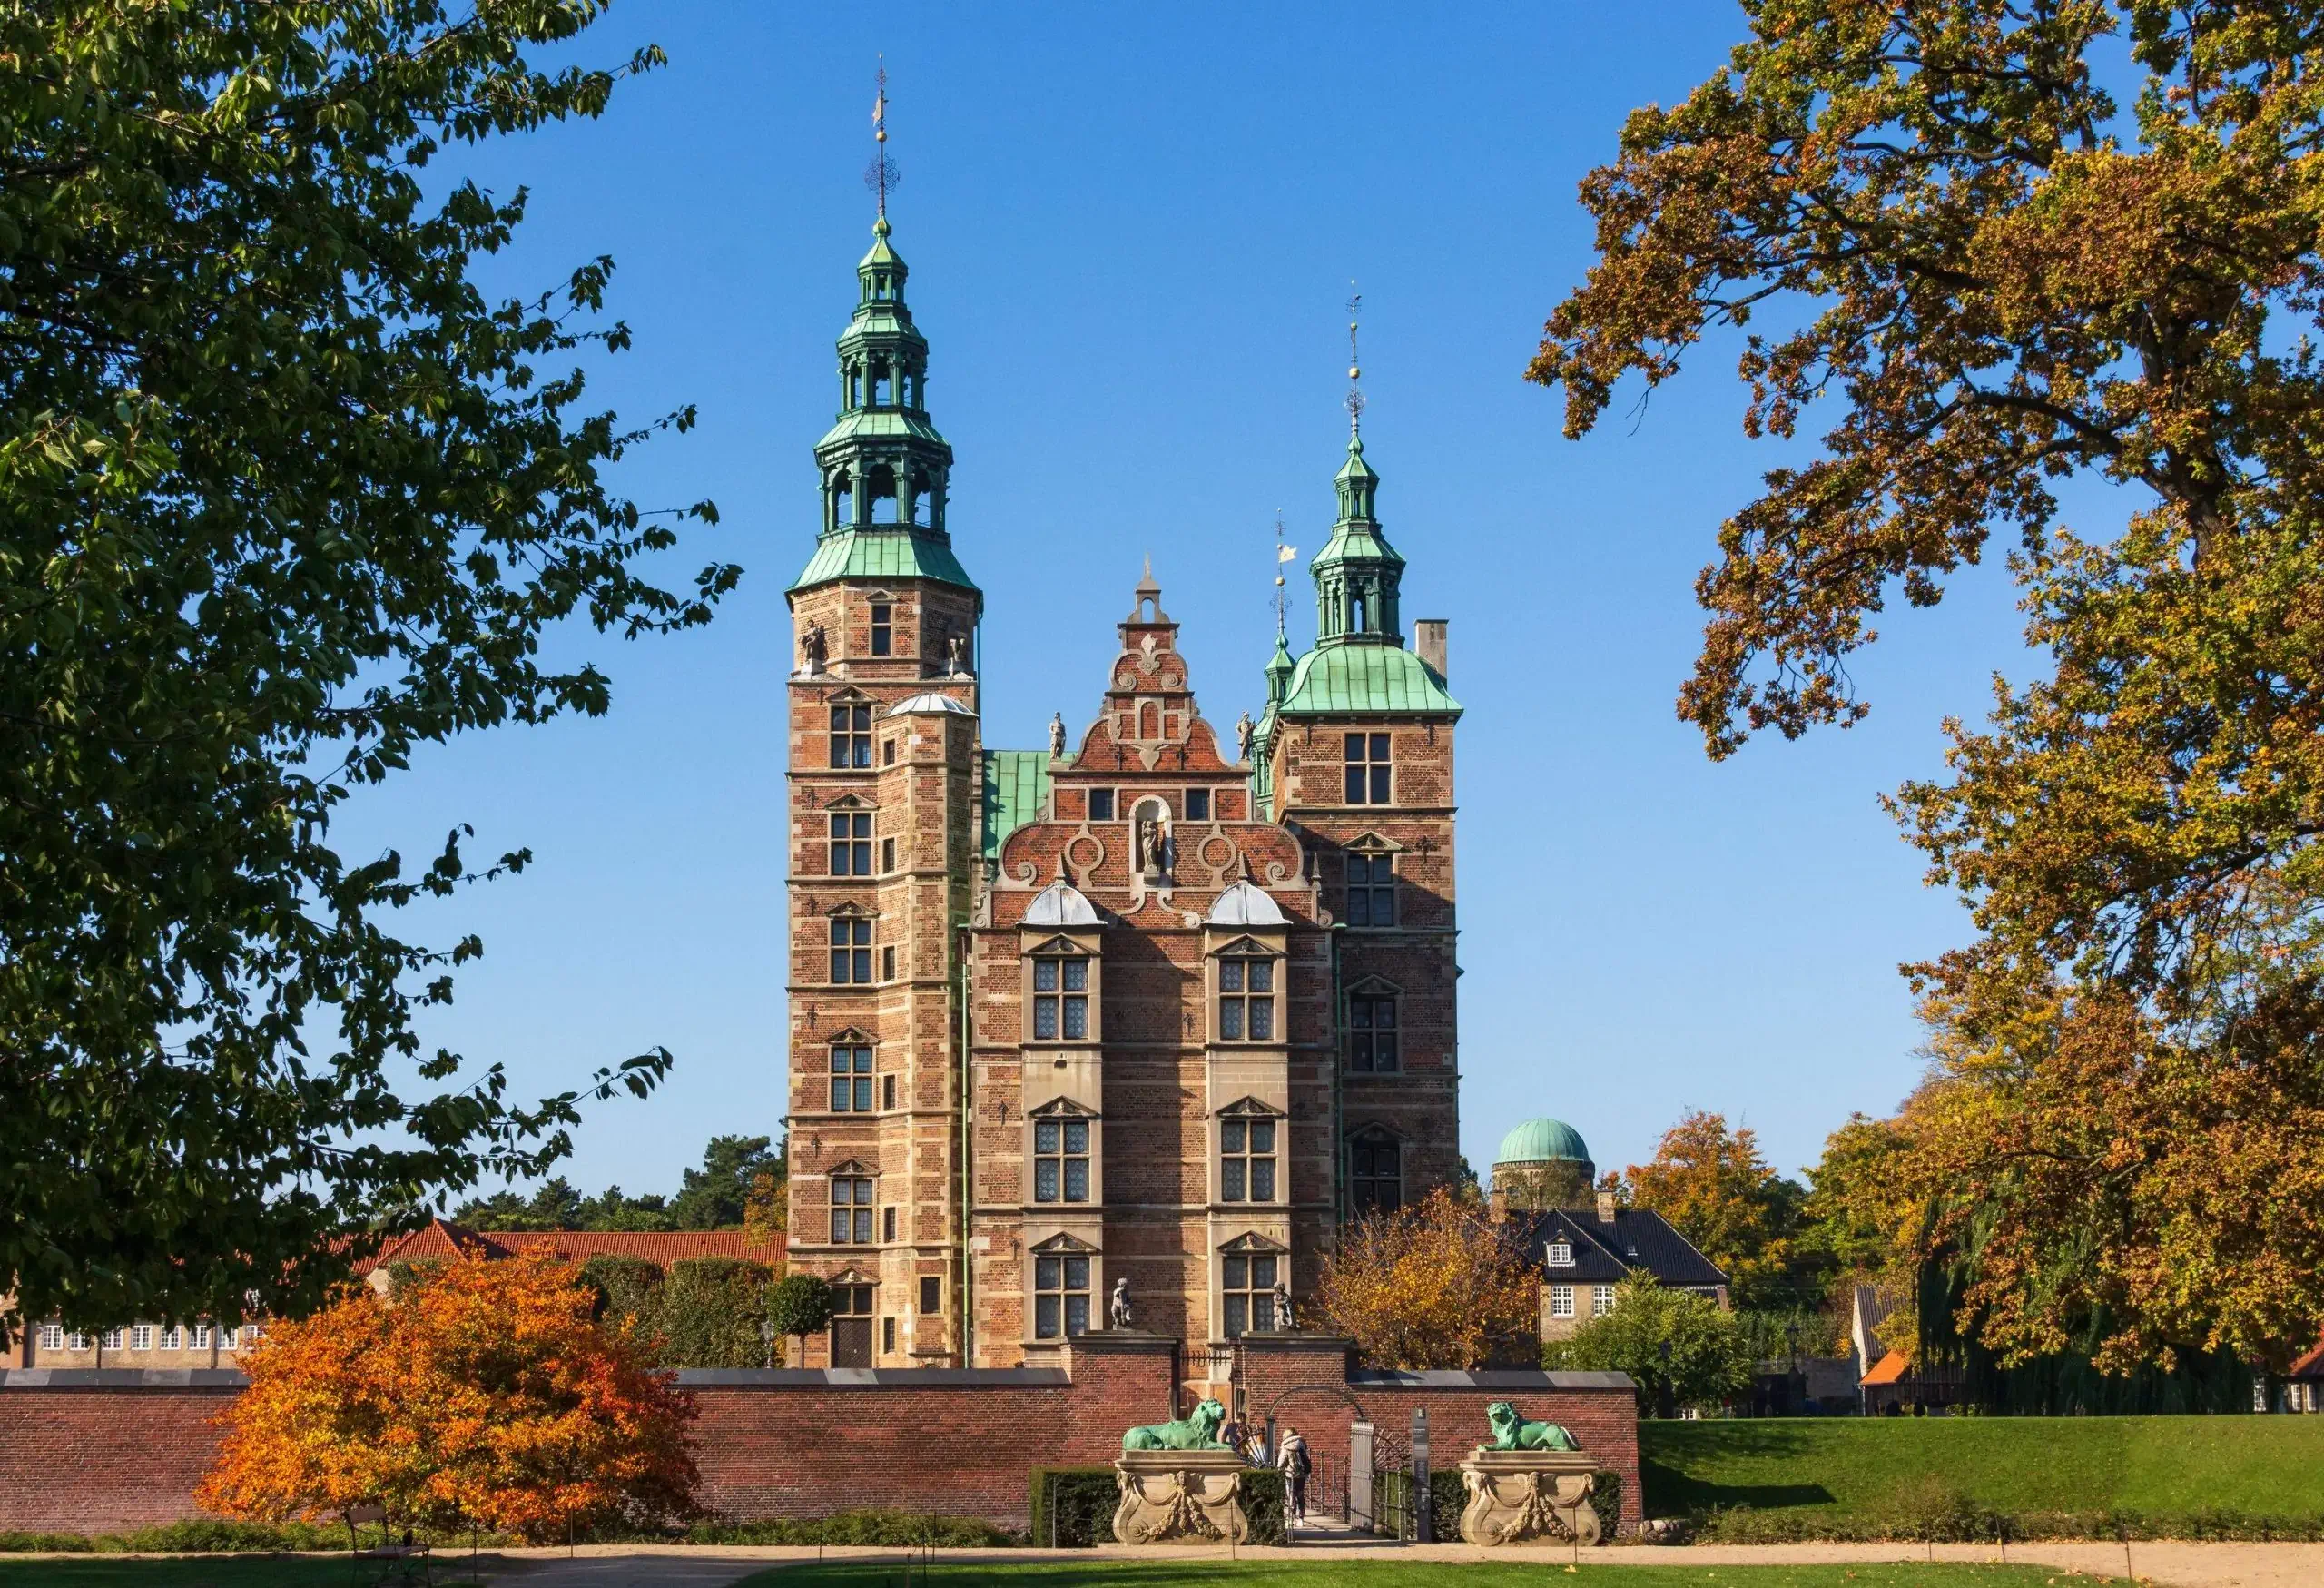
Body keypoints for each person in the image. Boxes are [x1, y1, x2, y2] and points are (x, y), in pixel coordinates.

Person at [1276, 1425, 1311, 1524]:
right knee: (1300, 1495)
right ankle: (1301, 1519)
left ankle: (1291, 1518)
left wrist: (1279, 1469)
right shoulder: (1301, 1443)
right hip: (1301, 1474)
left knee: (1291, 1495)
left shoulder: (1285, 1446)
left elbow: (1281, 1462)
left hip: (1290, 1474)